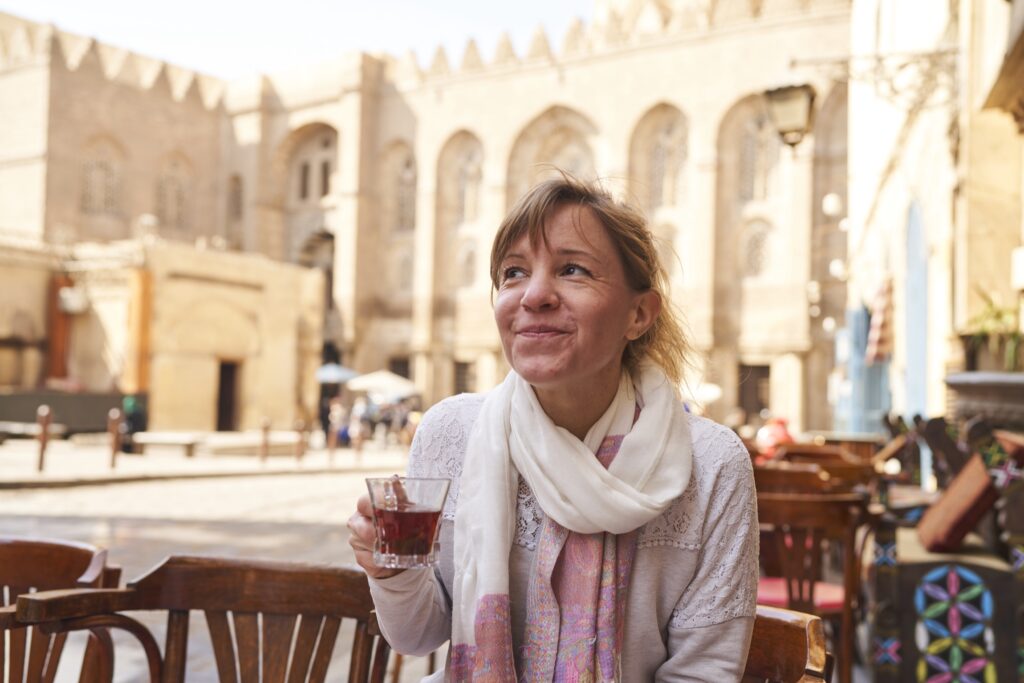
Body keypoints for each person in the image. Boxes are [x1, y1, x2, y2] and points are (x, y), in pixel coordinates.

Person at [348, 175, 758, 681]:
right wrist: (391, 571)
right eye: (514, 272)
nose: (535, 295)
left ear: (639, 313)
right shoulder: (450, 431)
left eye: (572, 269)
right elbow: (418, 634)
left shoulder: (711, 464)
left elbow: (705, 671)